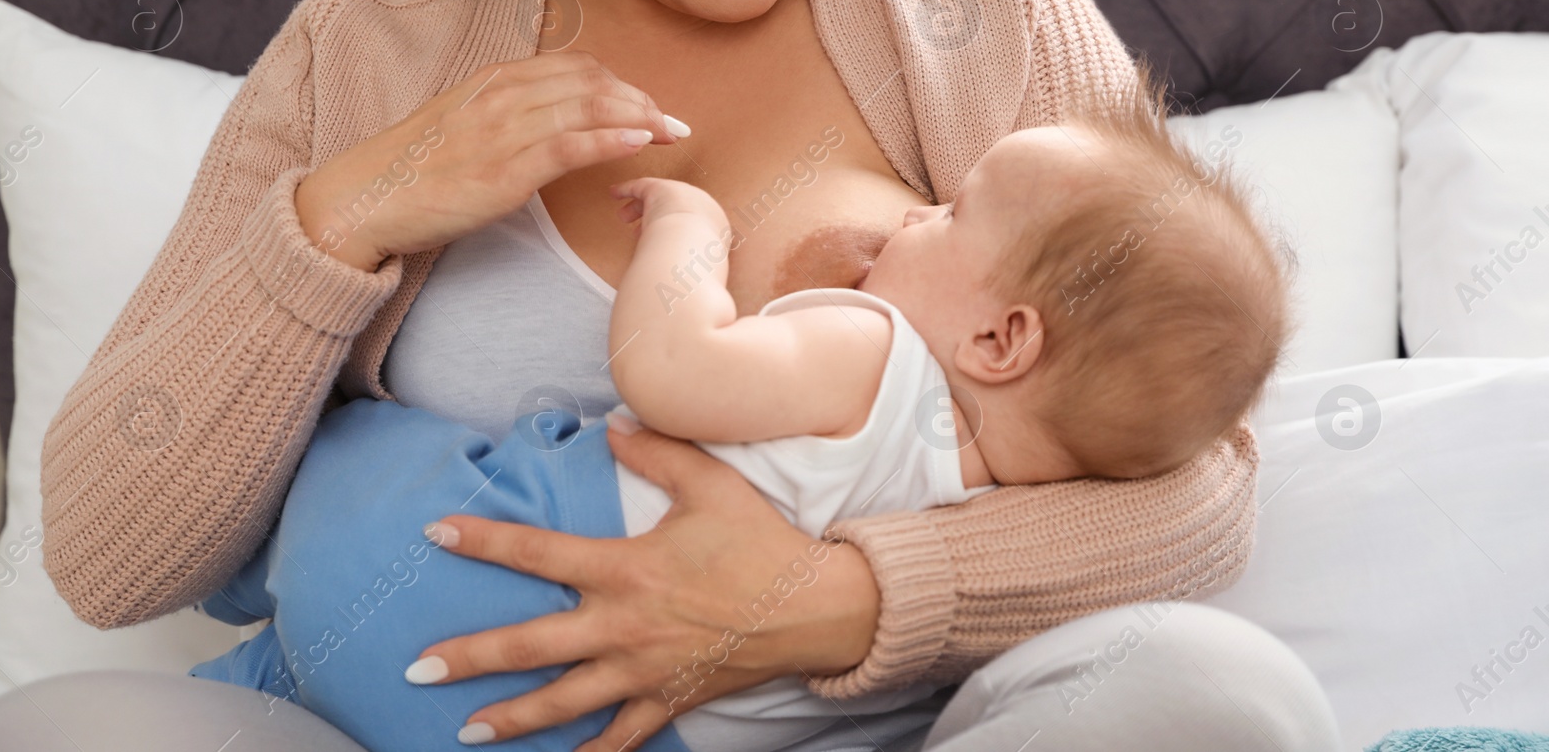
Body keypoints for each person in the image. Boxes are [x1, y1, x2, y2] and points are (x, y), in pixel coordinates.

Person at [16, 0, 1340, 749]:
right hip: (432, 714)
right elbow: (108, 552)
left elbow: (1203, 489)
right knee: (57, 730)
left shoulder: (983, 8)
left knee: (1221, 693)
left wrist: (827, 602)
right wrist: (347, 216)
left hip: (858, 726)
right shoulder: (357, 60)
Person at [184, 72, 1298, 752]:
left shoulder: (873, 353)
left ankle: (259, 595)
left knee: (365, 457)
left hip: (474, 573)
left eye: (951, 213)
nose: (919, 213)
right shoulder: (1011, 481)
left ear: (1000, 339)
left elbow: (675, 369)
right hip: (623, 729)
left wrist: (693, 233)